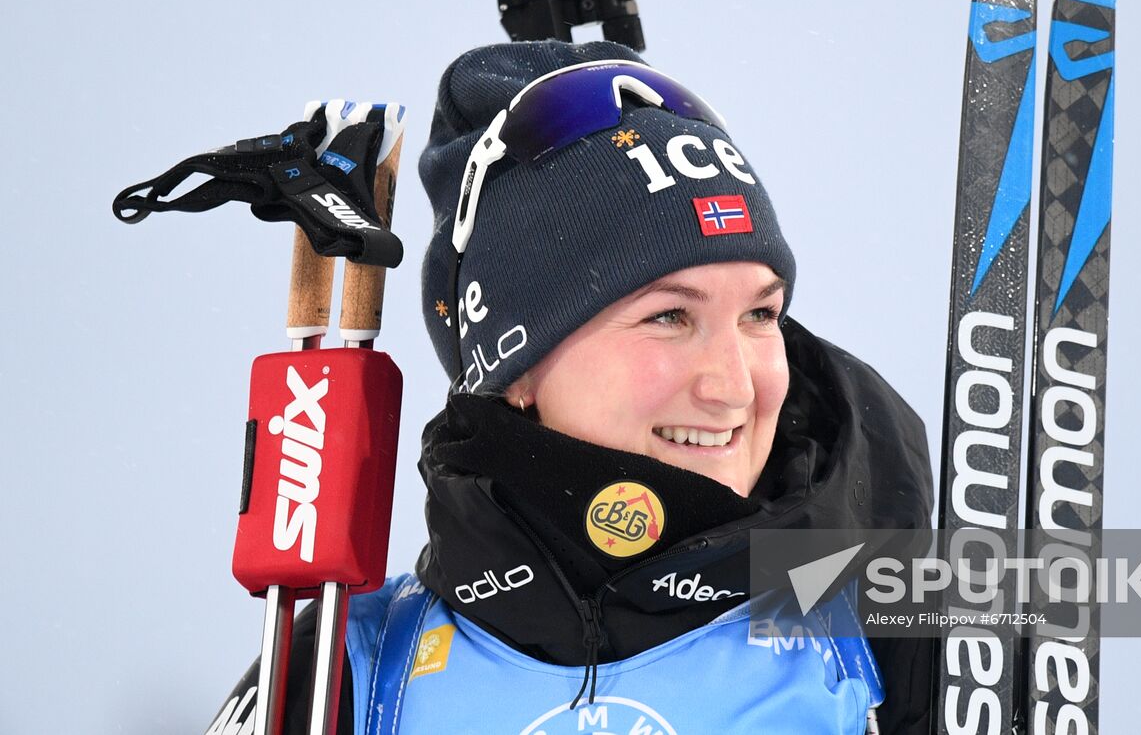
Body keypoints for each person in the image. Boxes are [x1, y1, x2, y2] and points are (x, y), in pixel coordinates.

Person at [206, 41, 935, 734]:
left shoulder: (908, 605)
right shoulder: (355, 667)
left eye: (759, 314)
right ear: (518, 367)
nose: (734, 386)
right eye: (671, 316)